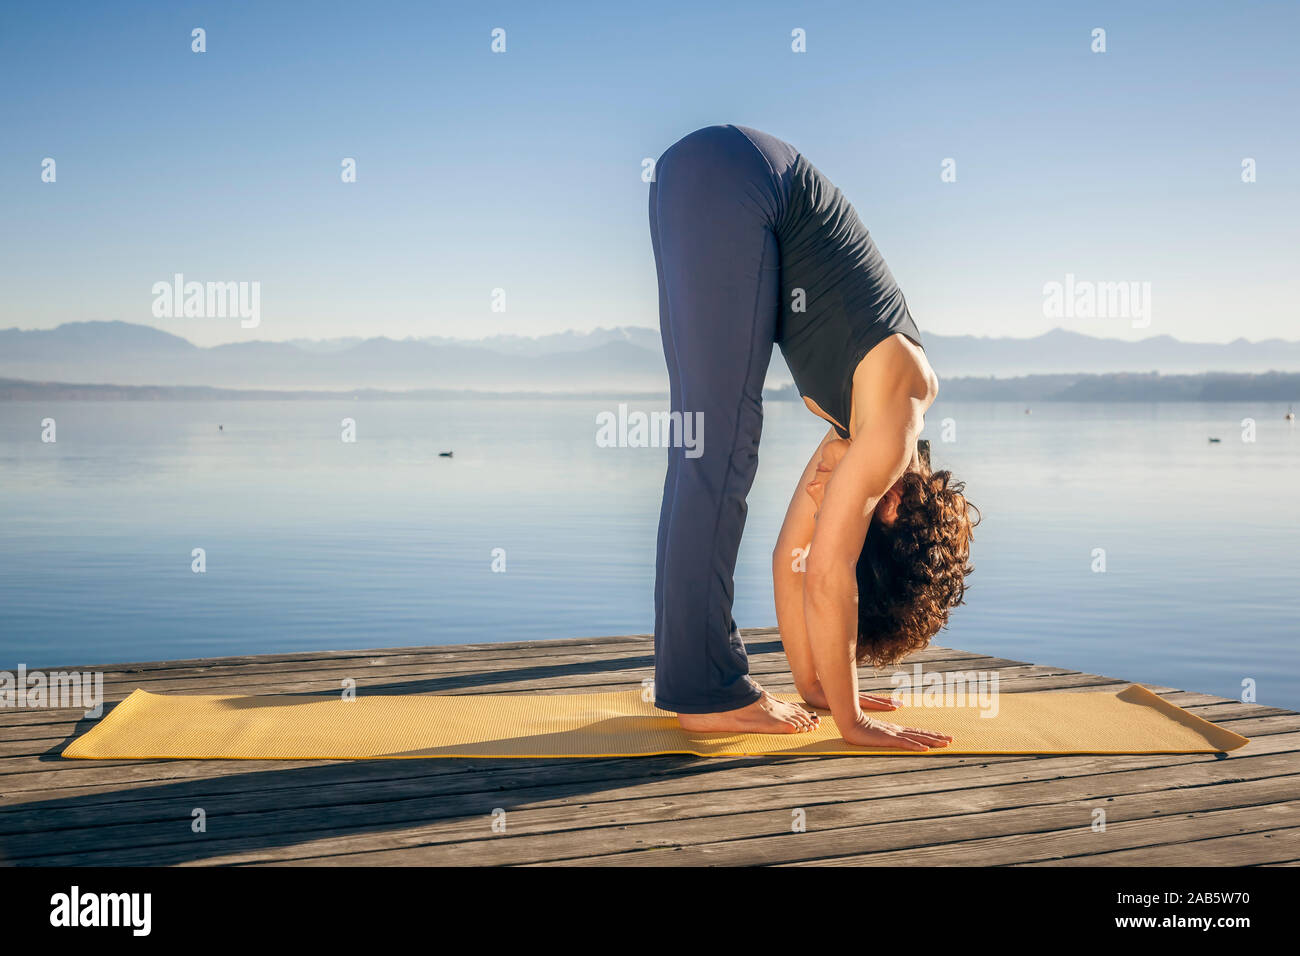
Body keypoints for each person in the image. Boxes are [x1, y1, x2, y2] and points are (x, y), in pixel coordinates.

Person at [649, 125, 977, 750]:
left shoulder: (851, 431)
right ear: (893, 504)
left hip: (696, 172)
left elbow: (792, 561)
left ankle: (696, 681)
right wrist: (853, 724)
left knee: (701, 446)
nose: (825, 494)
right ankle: (708, 692)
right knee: (719, 448)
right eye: (850, 513)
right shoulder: (896, 420)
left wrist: (820, 687)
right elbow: (829, 572)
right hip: (739, 178)